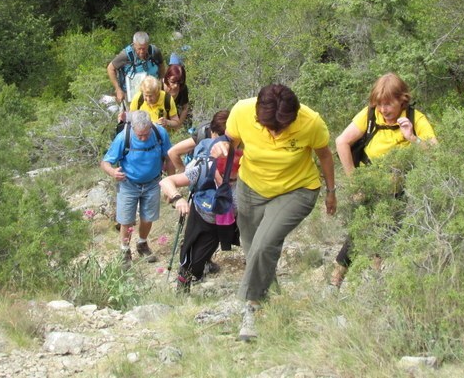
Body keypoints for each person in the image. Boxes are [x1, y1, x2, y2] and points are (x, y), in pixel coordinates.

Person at [223, 84, 336, 342]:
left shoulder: (311, 122)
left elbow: (325, 156)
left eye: (281, 127)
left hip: (296, 190)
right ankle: (272, 299)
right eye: (269, 127)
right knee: (252, 248)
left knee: (264, 245)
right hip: (251, 187)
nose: (275, 132)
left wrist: (331, 191)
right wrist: (219, 148)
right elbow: (228, 141)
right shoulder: (242, 110)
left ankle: (251, 308)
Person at [330, 72, 436, 288]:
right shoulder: (370, 115)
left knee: (387, 234)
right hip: (371, 187)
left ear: (402, 100)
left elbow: (436, 152)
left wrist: (412, 138)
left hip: (401, 191)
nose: (383, 110)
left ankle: (373, 282)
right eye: (379, 104)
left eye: (388, 104)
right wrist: (355, 182)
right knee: (362, 231)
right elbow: (342, 142)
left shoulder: (416, 119)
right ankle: (338, 280)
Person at [160, 136, 242, 293]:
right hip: (201, 216)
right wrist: (178, 199)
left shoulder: (246, 174)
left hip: (226, 221)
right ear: (216, 169)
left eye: (233, 179)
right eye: (227, 178)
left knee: (202, 258)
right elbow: (166, 182)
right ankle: (182, 290)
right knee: (190, 258)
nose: (230, 183)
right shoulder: (203, 168)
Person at [100, 110, 172, 266]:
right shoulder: (123, 138)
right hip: (128, 184)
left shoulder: (160, 133)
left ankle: (142, 243)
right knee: (126, 220)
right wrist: (113, 172)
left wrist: (171, 183)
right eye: (140, 135)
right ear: (133, 128)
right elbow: (105, 162)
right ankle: (125, 250)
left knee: (148, 217)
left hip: (153, 182)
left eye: (146, 134)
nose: (144, 138)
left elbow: (169, 156)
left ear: (151, 127)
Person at [107, 31, 166, 104]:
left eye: (144, 48)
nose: (141, 52)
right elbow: (110, 68)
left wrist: (161, 83)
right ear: (134, 45)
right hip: (132, 94)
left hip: (152, 93)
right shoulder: (125, 55)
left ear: (148, 45)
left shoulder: (154, 51)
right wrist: (118, 89)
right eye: (139, 49)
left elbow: (161, 66)